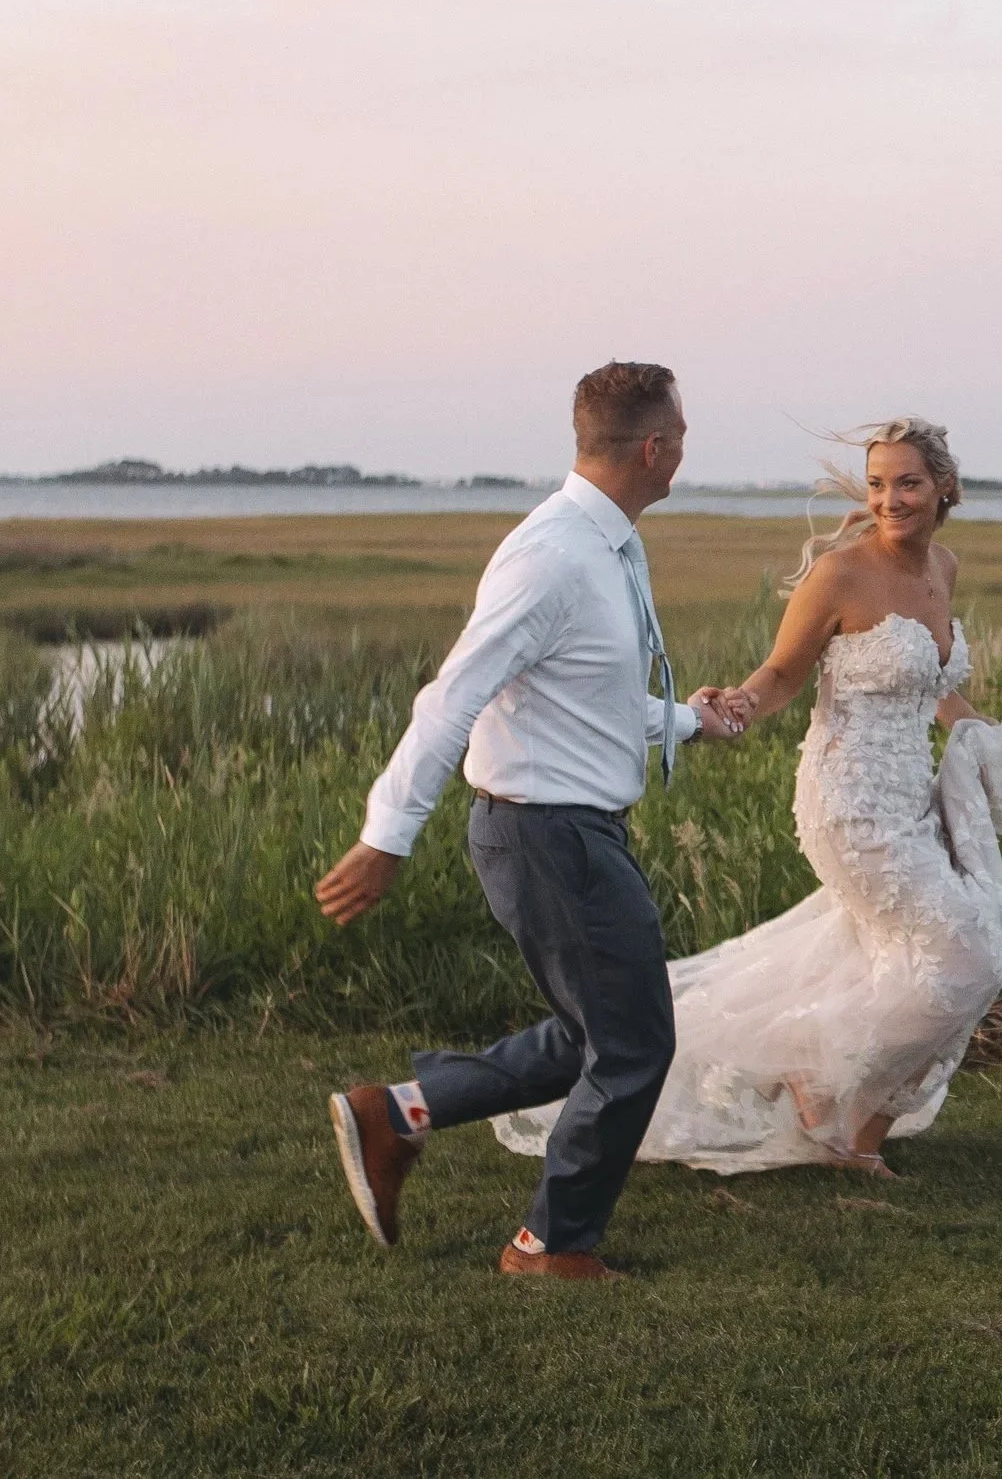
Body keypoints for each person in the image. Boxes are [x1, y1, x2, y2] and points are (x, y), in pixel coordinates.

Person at [490, 418, 1002, 1178]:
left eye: (907, 482)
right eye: (877, 483)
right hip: (850, 805)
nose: (889, 499)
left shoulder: (944, 564)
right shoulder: (840, 575)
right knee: (970, 955)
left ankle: (857, 1134)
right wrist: (733, 707)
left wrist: (981, 728)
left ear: (944, 487)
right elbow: (781, 673)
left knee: (906, 960)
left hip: (914, 795)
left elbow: (933, 681)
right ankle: (812, 1074)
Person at [315, 362, 742, 1282]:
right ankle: (550, 1245)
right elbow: (452, 696)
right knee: (633, 1043)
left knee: (597, 1032)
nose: (683, 453)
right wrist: (386, 833)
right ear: (654, 447)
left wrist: (687, 718)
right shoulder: (552, 555)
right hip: (548, 834)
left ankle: (397, 1116)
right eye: (682, 435)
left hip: (573, 829)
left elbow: (594, 698)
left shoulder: (610, 548)